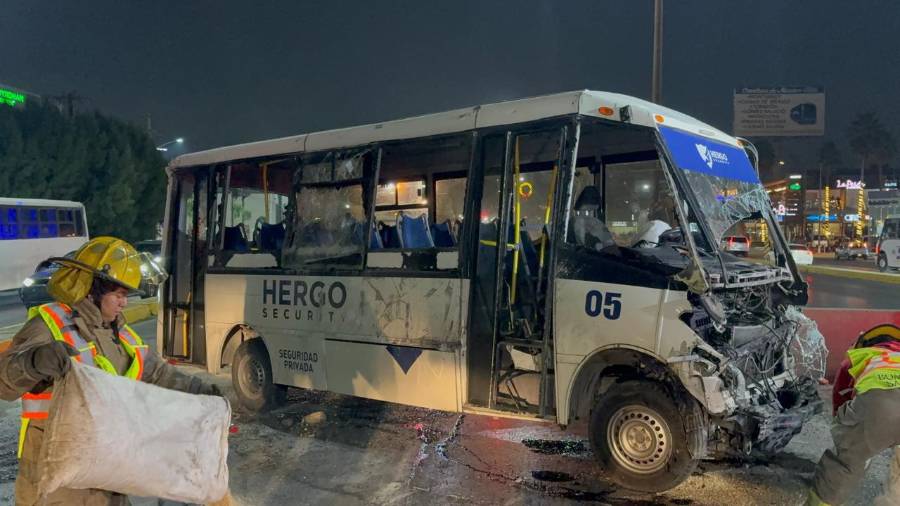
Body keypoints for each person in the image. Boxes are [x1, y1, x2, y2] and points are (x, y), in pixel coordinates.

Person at [0, 236, 223, 505]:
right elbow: (4, 383)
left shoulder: (122, 336)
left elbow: (157, 373)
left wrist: (202, 392)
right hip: (57, 480)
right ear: (92, 289)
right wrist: (35, 361)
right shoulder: (48, 325)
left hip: (108, 474)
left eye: (125, 296)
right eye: (118, 294)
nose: (124, 303)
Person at [808, 323, 900, 506]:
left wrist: (845, 434)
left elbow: (840, 394)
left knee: (846, 463)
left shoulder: (863, 356)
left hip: (881, 406)